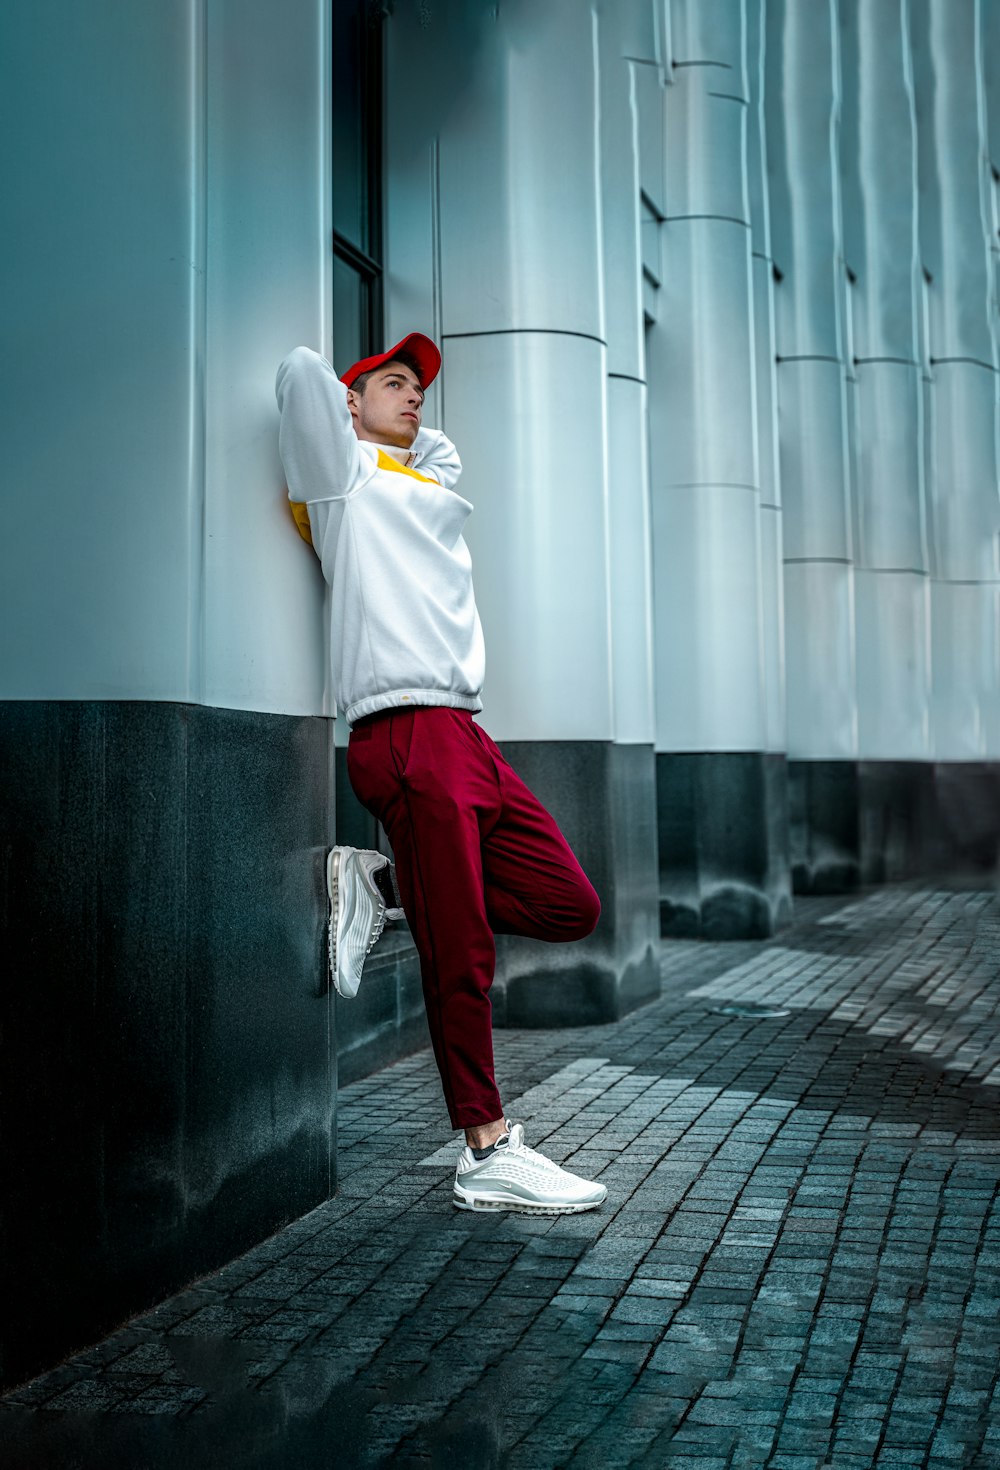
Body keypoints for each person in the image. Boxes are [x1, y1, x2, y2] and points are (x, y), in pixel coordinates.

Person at [275, 333, 607, 1214]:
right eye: (393, 382)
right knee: (461, 952)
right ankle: (485, 1147)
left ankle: (385, 888)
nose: (415, 395)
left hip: (466, 733)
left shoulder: (425, 484)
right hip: (405, 731)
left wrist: (387, 415)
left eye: (419, 386)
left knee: (570, 905)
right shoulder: (343, 481)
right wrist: (347, 398)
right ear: (351, 405)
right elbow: (300, 378)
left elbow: (439, 454)